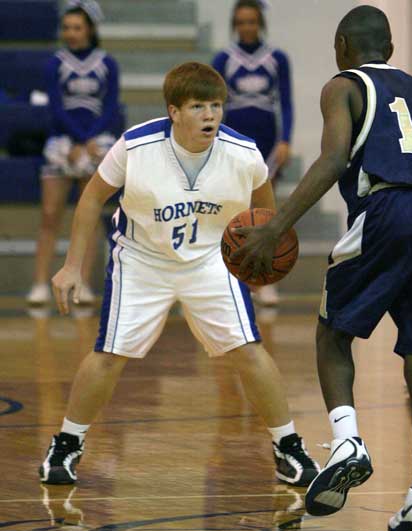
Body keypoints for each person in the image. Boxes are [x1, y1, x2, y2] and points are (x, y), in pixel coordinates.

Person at [232, 5, 412, 531]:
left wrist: (276, 227)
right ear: (390, 49)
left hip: (390, 207)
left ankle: (347, 440)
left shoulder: (343, 85)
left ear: (343, 44)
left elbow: (331, 159)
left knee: (332, 333)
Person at [38, 62, 319, 488]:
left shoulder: (244, 154)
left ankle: (288, 446)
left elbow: (265, 212)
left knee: (247, 347)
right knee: (110, 353)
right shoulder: (135, 146)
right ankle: (66, 444)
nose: (210, 115)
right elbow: (92, 198)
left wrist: (262, 254)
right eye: (198, 106)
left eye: (216, 106)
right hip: (142, 258)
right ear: (174, 111)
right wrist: (73, 266)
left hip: (209, 258)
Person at [26, 0, 120, 306]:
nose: (71, 33)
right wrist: (77, 141)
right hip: (62, 144)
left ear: (90, 29)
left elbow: (111, 107)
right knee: (50, 216)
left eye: (77, 28)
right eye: (66, 28)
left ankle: (82, 284)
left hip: (95, 143)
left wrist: (90, 140)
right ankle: (40, 284)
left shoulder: (107, 63)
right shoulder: (55, 63)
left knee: (88, 217)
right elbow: (54, 106)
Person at [211, 0, 294, 306]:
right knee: (235, 209)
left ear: (260, 23)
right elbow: (214, 103)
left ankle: (264, 278)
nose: (247, 27)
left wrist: (286, 139)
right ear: (235, 24)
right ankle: (235, 278)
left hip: (268, 139)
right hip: (233, 138)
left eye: (252, 22)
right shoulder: (223, 58)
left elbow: (286, 102)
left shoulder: (277, 58)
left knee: (264, 213)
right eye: (242, 22)